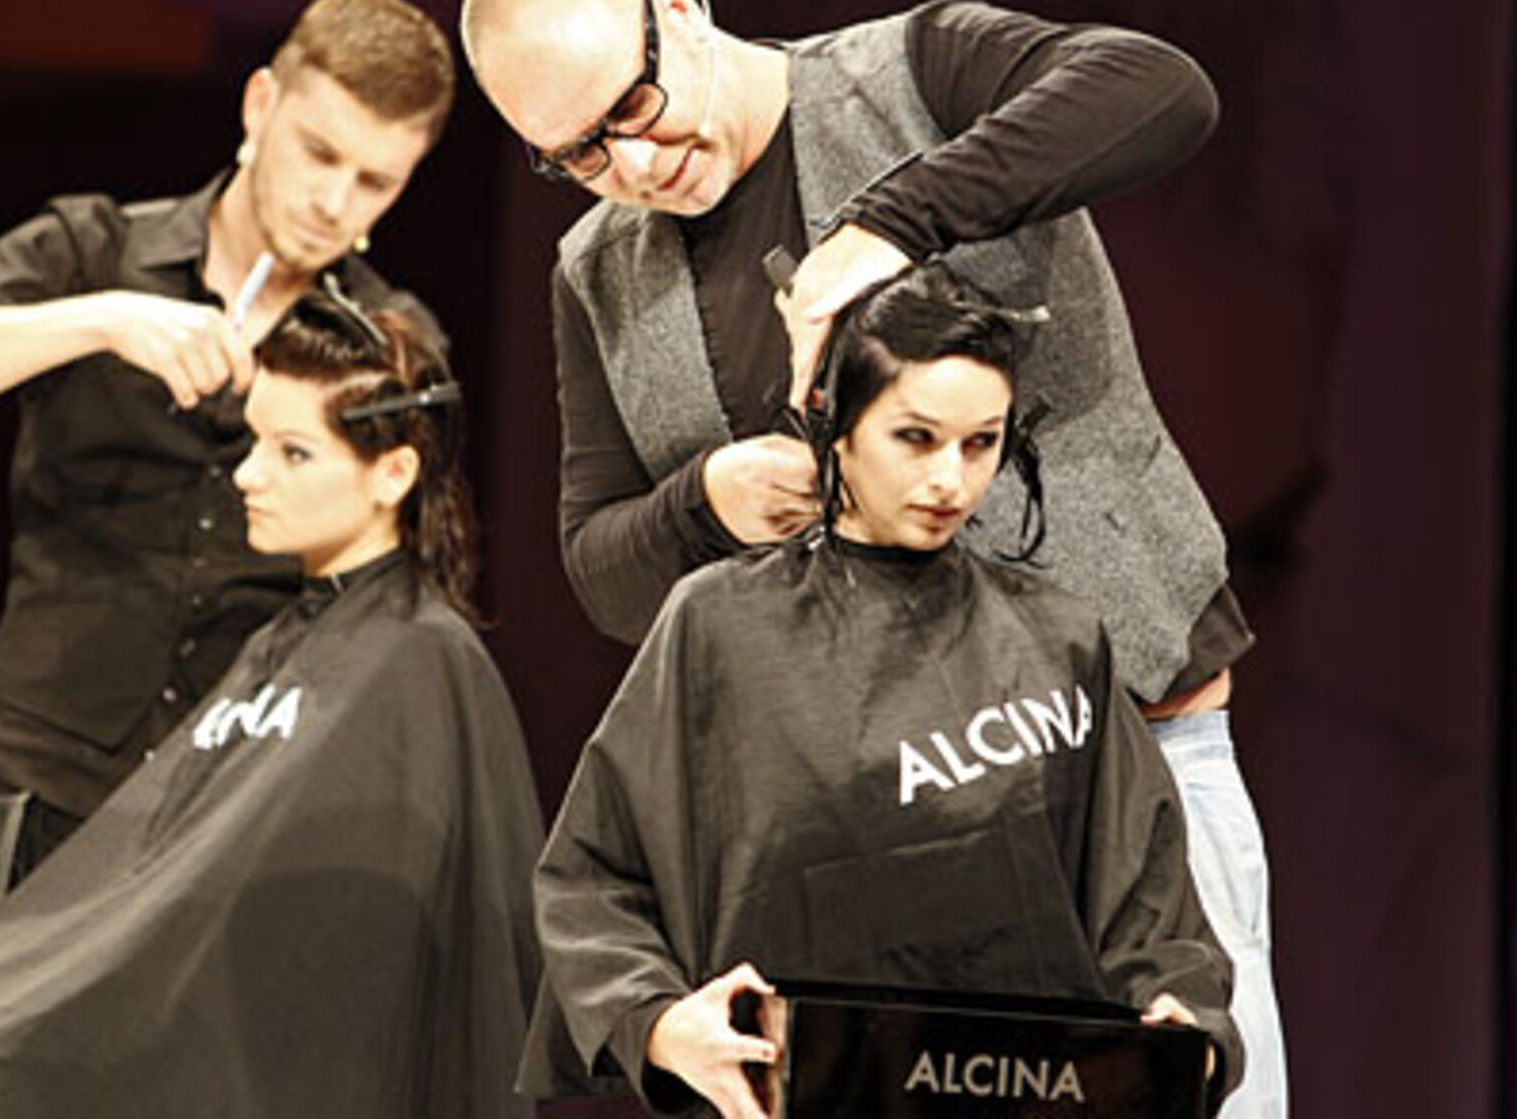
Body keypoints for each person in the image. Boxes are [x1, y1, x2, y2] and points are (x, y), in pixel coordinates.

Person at [462, 0, 1284, 1116]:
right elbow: (600, 566)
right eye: (577, 153)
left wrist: (893, 222)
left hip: (1119, 789)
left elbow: (1161, 90)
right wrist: (709, 500)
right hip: (853, 846)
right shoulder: (599, 272)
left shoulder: (912, 77)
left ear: (680, 8)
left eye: (633, 104)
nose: (633, 161)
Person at [522, 265, 1242, 1118]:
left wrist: (1184, 1023)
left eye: (981, 443)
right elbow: (593, 877)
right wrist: (662, 1022)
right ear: (837, 430)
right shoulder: (719, 627)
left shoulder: (1059, 639)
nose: (951, 482)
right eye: (916, 437)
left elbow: (1152, 903)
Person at [0, 295, 545, 1118]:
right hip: (209, 1037)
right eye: (254, 441)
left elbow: (357, 963)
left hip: (284, 1067)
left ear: (394, 473)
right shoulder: (280, 644)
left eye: (293, 452)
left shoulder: (425, 663)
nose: (248, 474)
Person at [0, 0, 457, 873]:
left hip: (239, 800)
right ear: (260, 105)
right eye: (318, 152)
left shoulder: (386, 343)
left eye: (376, 181)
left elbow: (393, 581)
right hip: (42, 774)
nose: (335, 202)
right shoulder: (95, 249)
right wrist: (102, 320)